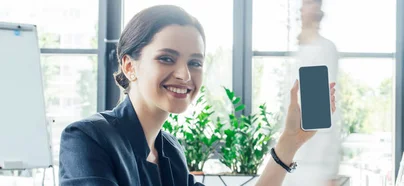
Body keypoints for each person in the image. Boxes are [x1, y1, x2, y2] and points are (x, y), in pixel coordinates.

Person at [58, 5, 337, 186]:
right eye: (167, 58)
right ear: (129, 65)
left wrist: (290, 142)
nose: (184, 75)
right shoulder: (87, 138)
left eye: (195, 62)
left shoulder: (171, 152)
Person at [282, 0, 342, 185]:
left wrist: (330, 169)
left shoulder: (324, 49)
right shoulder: (298, 52)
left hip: (315, 161)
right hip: (292, 156)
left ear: (317, 9)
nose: (302, 9)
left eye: (308, 3)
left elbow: (329, 109)